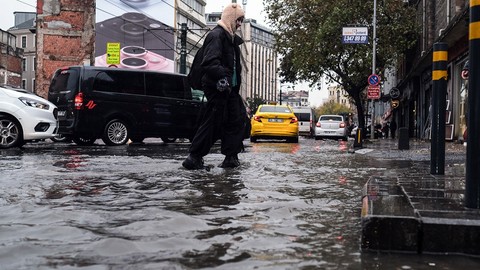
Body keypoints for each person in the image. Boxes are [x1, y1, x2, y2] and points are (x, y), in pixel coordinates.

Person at [182, 3, 247, 170]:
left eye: (241, 20)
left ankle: (231, 157)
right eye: (238, 20)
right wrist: (223, 77)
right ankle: (194, 157)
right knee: (212, 122)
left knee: (237, 120)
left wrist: (231, 83)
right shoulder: (216, 35)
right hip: (216, 88)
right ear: (230, 18)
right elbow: (209, 63)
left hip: (229, 90)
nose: (239, 24)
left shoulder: (231, 40)